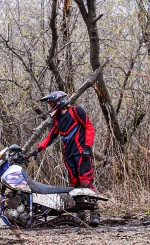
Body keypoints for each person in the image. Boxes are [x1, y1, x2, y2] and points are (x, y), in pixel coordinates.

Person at [25, 91, 100, 226]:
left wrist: (88, 146)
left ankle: (95, 212)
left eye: (51, 104)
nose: (50, 107)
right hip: (68, 156)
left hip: (82, 153)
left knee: (86, 183)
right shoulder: (57, 120)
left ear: (59, 102)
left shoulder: (77, 111)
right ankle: (80, 212)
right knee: (74, 185)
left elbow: (89, 127)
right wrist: (36, 150)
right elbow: (49, 137)